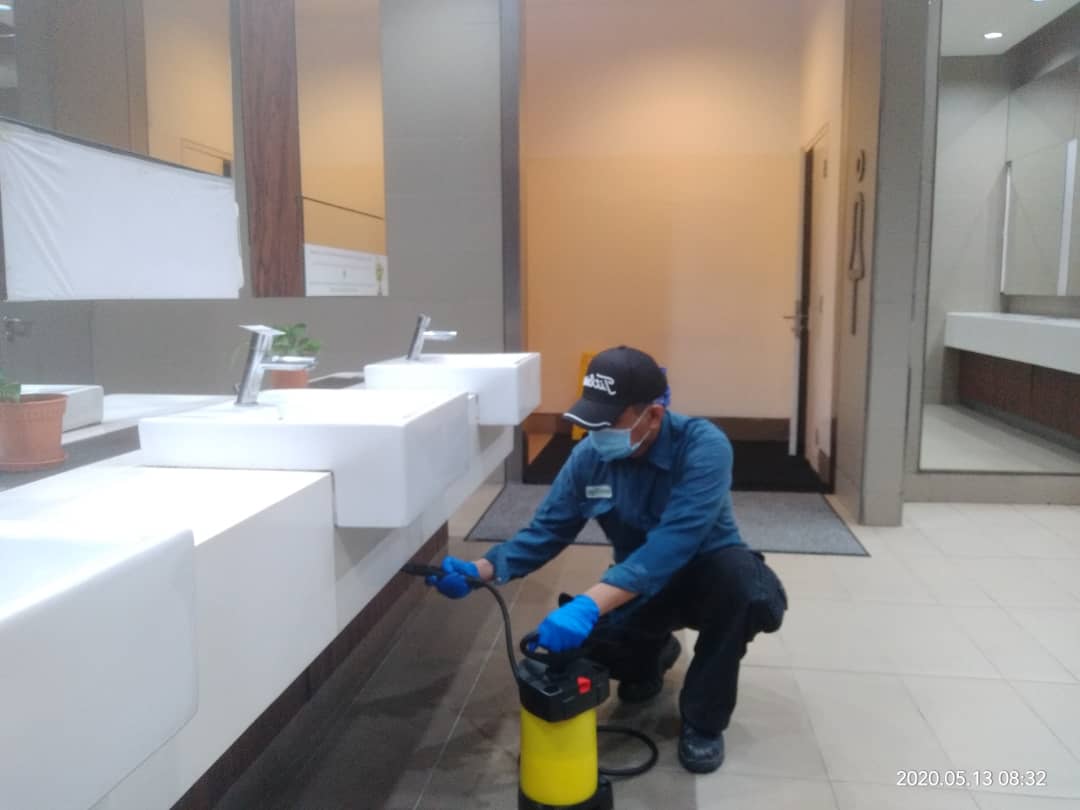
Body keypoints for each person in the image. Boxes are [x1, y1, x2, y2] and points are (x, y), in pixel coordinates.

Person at [427, 346, 788, 774]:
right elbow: (548, 530)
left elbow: (672, 545)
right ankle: (652, 656)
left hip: (706, 577)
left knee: (742, 589)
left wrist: (589, 603)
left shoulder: (703, 446)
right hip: (635, 585)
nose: (596, 435)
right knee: (583, 653)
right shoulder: (591, 457)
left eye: (608, 423)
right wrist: (480, 571)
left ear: (652, 415)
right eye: (589, 422)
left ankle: (704, 723)